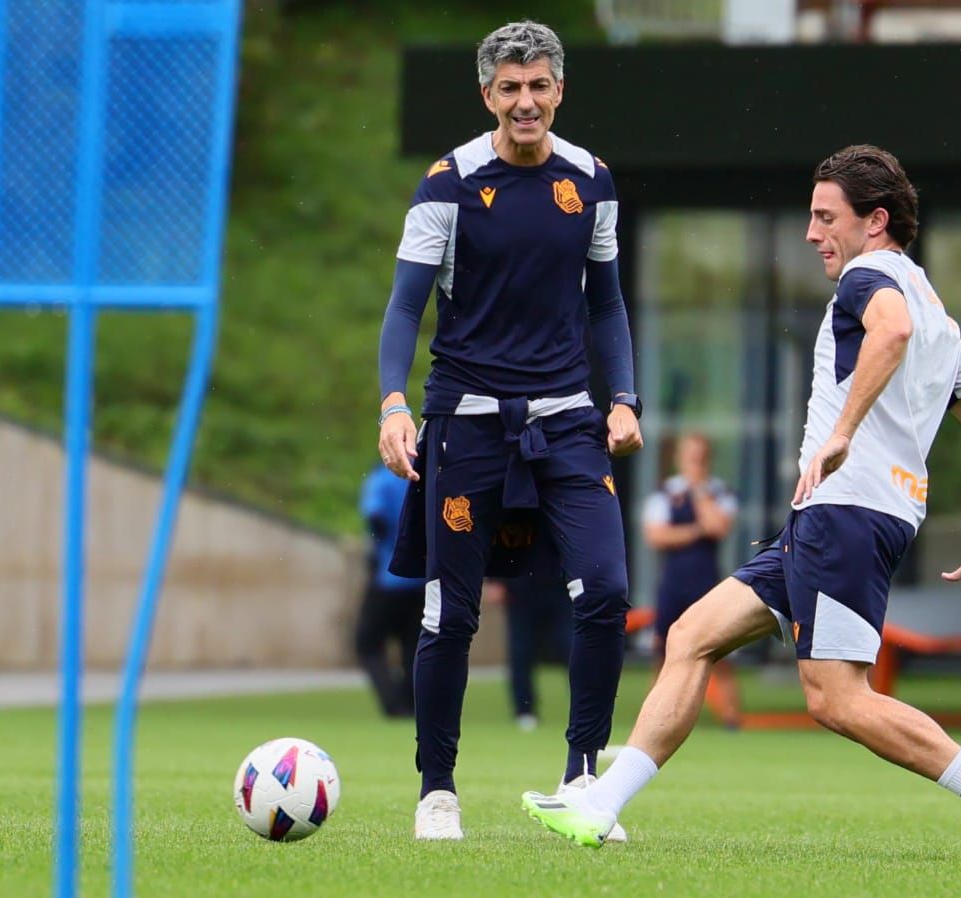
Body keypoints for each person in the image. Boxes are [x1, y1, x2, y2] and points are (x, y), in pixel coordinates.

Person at [523, 145, 961, 863]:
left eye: (826, 217)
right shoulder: (943, 322)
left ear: (877, 221)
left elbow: (888, 333)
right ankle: (600, 804)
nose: (812, 233)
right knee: (693, 636)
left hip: (848, 513)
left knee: (835, 698)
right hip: (840, 517)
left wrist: (840, 433)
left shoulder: (873, 278)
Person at [376, 20, 642, 842]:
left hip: (567, 424)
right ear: (487, 94)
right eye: (509, 88)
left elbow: (606, 303)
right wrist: (392, 404)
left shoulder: (592, 183)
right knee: (449, 616)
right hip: (466, 426)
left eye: (538, 86)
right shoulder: (446, 186)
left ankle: (581, 779)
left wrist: (624, 396)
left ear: (559, 90)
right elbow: (404, 309)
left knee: (606, 592)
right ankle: (437, 792)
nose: (524, 101)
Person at [641, 433, 741, 727]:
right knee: (662, 649)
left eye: (699, 456)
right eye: (689, 455)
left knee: (720, 649)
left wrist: (698, 493)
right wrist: (697, 531)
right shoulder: (663, 493)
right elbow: (657, 536)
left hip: (707, 581)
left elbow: (718, 527)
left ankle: (731, 716)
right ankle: (652, 716)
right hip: (673, 581)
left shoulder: (719, 492)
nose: (694, 462)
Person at [356, 464, 425, 717]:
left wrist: (377, 552)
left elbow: (375, 517)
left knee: (367, 643)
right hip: (421, 578)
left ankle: (394, 704)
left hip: (389, 578)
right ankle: (412, 703)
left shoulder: (383, 478)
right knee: (412, 646)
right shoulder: (426, 476)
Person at [484, 573, 572, 731]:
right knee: (520, 652)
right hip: (520, 586)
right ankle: (525, 711)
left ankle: (585, 710)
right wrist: (495, 580)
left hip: (563, 583)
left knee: (573, 649)